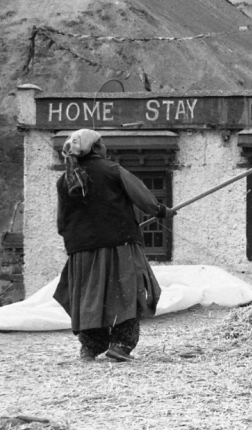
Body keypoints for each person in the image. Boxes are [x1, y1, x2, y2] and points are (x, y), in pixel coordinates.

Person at [53, 129, 173, 362]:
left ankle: (90, 347)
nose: (105, 147)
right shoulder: (113, 171)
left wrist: (81, 240)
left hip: (81, 251)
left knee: (90, 298)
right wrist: (161, 211)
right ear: (96, 148)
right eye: (102, 144)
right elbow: (144, 198)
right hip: (119, 246)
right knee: (126, 293)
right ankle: (121, 344)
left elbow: (61, 223)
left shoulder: (64, 180)